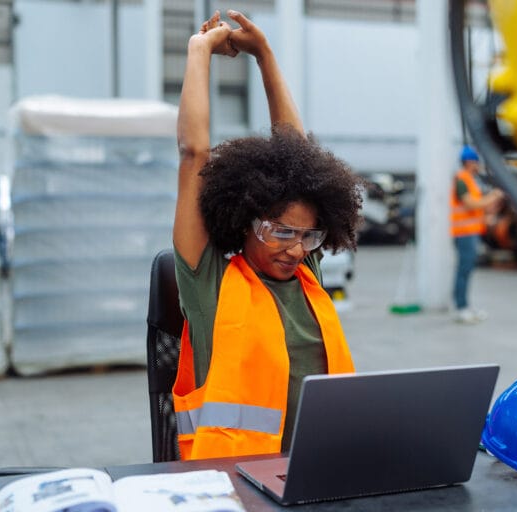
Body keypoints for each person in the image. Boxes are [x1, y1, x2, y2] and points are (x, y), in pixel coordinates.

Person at [171, 10, 363, 461]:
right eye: (280, 232)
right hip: (234, 480)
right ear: (244, 221)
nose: (295, 249)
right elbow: (193, 154)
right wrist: (199, 51)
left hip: (322, 469)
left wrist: (265, 56)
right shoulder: (209, 283)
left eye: (307, 236)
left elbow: (295, 150)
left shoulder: (306, 277)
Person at [449, 145, 504, 324]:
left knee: (467, 269)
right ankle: (461, 308)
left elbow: (480, 206)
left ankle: (466, 306)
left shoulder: (470, 180)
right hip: (463, 233)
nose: (478, 165)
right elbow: (470, 204)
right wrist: (494, 196)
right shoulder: (461, 179)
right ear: (469, 162)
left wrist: (492, 206)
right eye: (476, 161)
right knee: (463, 269)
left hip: (471, 232)